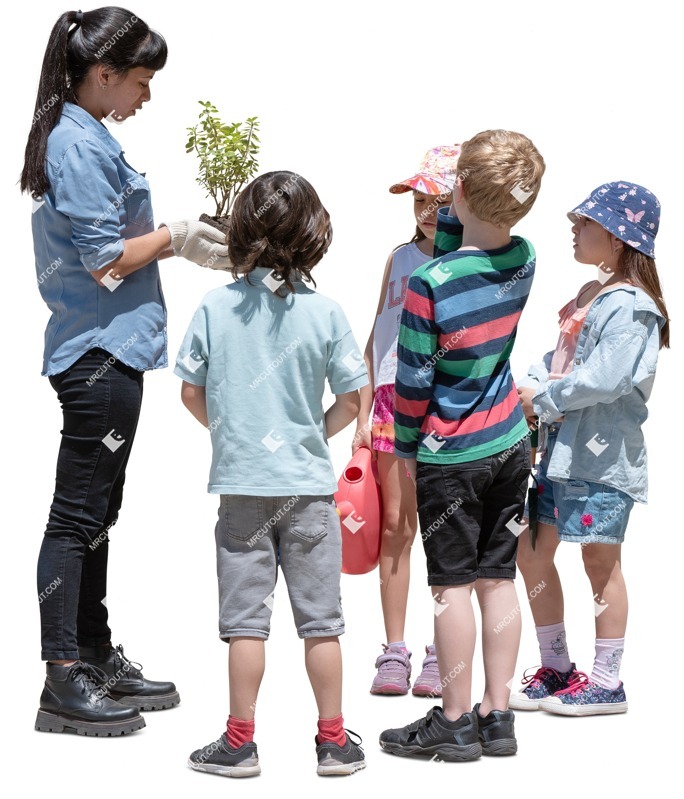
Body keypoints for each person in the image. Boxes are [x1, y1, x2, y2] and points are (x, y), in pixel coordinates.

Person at [22, 6, 230, 737]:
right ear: (104, 74)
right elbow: (106, 263)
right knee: (76, 517)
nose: (146, 95)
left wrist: (175, 237)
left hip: (114, 352)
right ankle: (62, 676)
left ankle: (93, 653)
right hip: (98, 355)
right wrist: (176, 236)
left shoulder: (84, 135)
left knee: (97, 513)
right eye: (141, 81)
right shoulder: (78, 145)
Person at [176, 171, 368, 777]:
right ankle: (333, 742)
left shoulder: (216, 306)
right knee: (321, 623)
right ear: (314, 233)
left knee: (244, 625)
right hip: (308, 489)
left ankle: (240, 743)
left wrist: (233, 437)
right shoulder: (326, 312)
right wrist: (309, 436)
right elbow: (352, 400)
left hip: (242, 489)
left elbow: (189, 391)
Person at [379, 129, 545, 761]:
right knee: (498, 579)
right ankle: (497, 715)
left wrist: (405, 445)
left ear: (462, 191)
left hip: (451, 454)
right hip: (509, 443)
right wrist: (468, 201)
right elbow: (469, 242)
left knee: (451, 587)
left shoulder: (428, 281)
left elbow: (415, 381)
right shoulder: (524, 255)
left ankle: (452, 719)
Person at [512, 182, 668, 715]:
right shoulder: (591, 295)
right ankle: (557, 668)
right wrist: (530, 385)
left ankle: (606, 683)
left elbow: (605, 378)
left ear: (618, 238)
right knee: (531, 553)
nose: (574, 229)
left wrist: (542, 399)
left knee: (600, 562)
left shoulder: (632, 306)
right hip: (557, 455)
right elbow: (558, 359)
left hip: (599, 459)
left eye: (586, 223)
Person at [354, 145, 460, 697]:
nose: (426, 211)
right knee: (396, 526)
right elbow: (377, 334)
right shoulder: (398, 259)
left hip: (446, 406)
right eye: (419, 201)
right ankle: (394, 650)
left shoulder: (471, 262)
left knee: (446, 528)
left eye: (438, 200)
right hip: (391, 403)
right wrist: (362, 412)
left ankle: (445, 651)